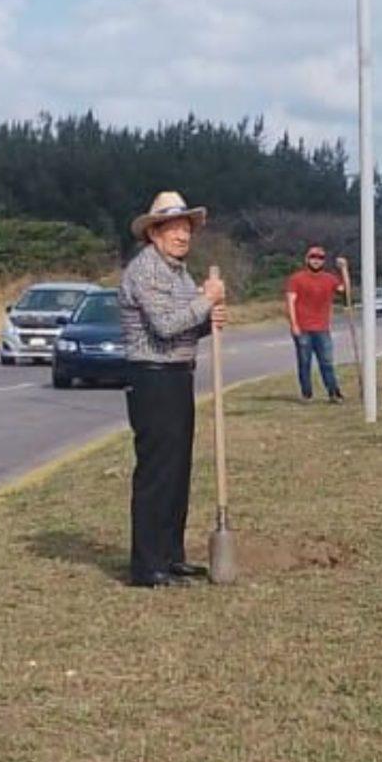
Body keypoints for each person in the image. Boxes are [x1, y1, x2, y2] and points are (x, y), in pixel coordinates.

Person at [117, 191, 227, 588]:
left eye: (186, 228)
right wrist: (205, 302)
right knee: (158, 472)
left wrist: (208, 316)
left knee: (178, 469)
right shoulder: (145, 270)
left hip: (178, 374)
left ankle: (171, 554)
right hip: (152, 376)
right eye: (174, 227)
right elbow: (164, 326)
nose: (182, 235)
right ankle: (148, 565)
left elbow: (184, 324)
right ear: (154, 233)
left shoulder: (178, 272)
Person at [284, 244, 346, 403]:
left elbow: (345, 290)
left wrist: (344, 269)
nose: (316, 261)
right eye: (313, 257)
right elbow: (290, 301)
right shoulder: (297, 279)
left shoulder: (329, 279)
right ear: (307, 259)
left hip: (322, 328)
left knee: (327, 362)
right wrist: (294, 324)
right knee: (304, 363)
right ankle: (307, 394)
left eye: (320, 258)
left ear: (324, 261)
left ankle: (334, 393)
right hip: (303, 327)